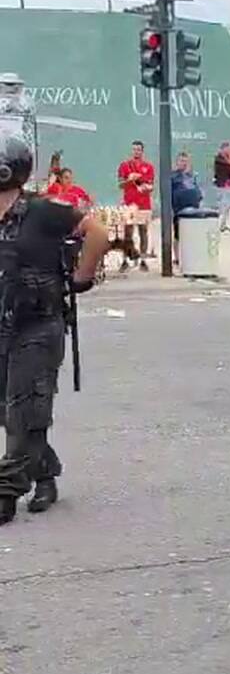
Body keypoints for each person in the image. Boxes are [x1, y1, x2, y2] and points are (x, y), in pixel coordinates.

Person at [0, 134, 108, 525]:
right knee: (12, 411)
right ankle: (45, 474)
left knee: (24, 409)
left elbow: (98, 234)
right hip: (4, 325)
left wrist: (83, 277)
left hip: (39, 326)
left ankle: (6, 492)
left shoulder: (44, 212)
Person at [118, 140, 154, 271]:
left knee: (143, 231)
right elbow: (120, 185)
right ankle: (126, 259)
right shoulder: (125, 166)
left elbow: (151, 186)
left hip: (144, 205)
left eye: (138, 149)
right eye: (134, 149)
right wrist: (130, 179)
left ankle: (143, 260)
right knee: (128, 232)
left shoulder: (148, 167)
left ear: (142, 151)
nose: (136, 152)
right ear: (131, 151)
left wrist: (143, 185)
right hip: (129, 204)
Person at [171, 151, 203, 265]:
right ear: (177, 162)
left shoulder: (192, 176)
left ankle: (191, 255)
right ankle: (177, 258)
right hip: (179, 211)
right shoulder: (173, 176)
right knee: (178, 235)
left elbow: (198, 191)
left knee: (191, 235)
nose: (183, 163)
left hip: (193, 210)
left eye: (185, 161)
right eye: (181, 161)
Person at [214, 141, 230, 233]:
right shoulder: (219, 158)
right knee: (222, 206)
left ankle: (223, 225)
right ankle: (219, 225)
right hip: (221, 185)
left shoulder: (227, 158)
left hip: (228, 184)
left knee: (227, 206)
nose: (229, 150)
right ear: (223, 148)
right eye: (227, 148)